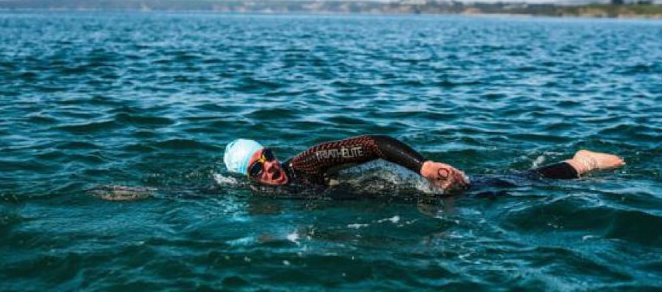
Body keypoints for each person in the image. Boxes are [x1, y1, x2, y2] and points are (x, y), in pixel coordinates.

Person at [223, 135, 625, 193]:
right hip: (386, 210)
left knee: (493, 187)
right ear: (248, 178)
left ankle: (579, 164)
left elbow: (373, 144)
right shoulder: (250, 196)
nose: (270, 167)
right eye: (257, 169)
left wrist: (425, 166)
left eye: (268, 155)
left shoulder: (307, 164)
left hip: (404, 189)